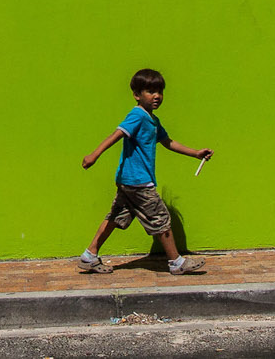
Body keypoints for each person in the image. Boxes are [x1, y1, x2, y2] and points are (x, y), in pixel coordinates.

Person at [77, 67, 213, 274]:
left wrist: (195, 153)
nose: (157, 96)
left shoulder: (153, 120)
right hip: (139, 181)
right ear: (137, 95)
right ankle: (176, 262)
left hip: (128, 180)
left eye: (159, 91)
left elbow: (168, 142)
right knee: (161, 218)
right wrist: (95, 154)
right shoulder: (138, 116)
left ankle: (89, 255)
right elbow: (117, 134)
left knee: (116, 217)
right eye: (150, 92)